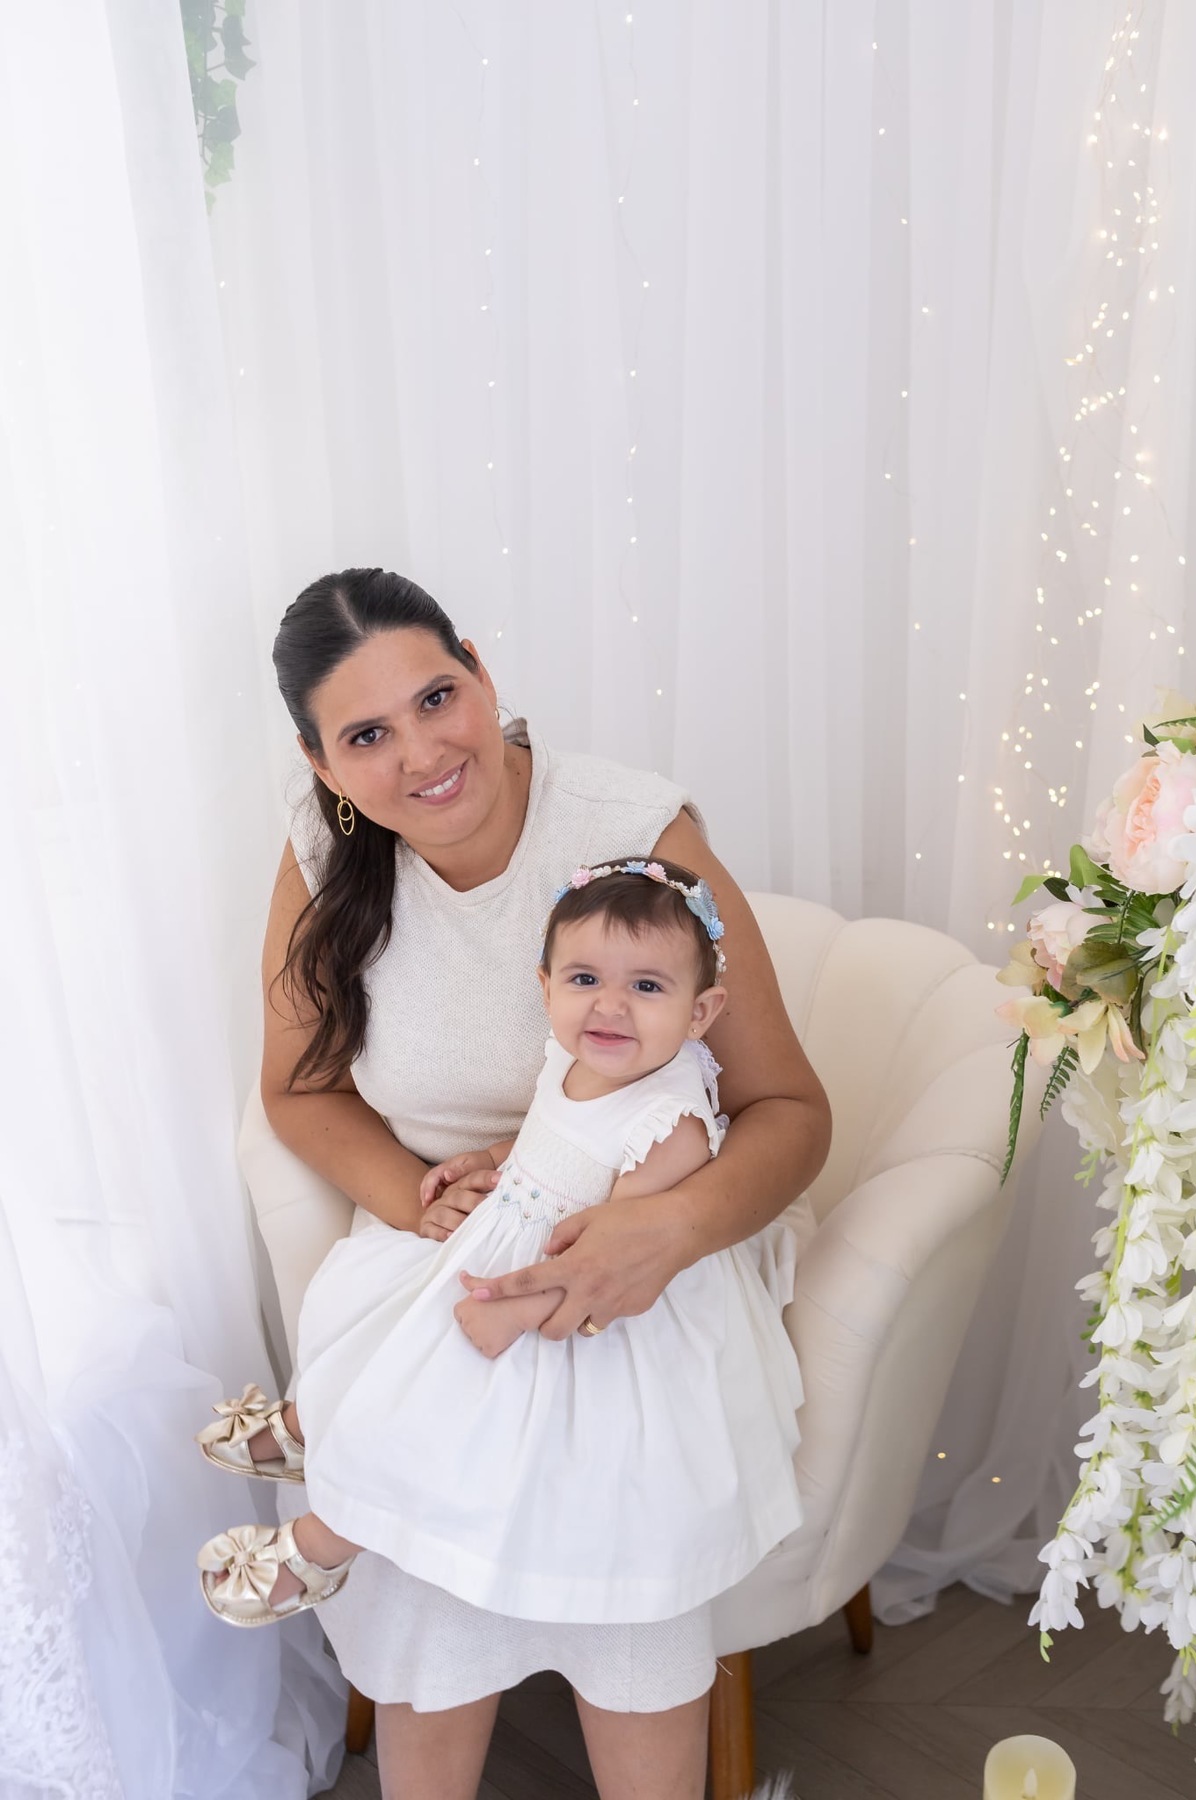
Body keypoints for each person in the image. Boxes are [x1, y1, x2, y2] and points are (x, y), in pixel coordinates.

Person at [209, 569, 829, 1800]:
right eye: (368, 736)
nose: (424, 754)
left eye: (440, 697)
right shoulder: (321, 855)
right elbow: (298, 1089)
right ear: (322, 762)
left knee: (619, 1539)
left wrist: (664, 1234)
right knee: (431, 1567)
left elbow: (790, 1112)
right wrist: (409, 1190)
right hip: (458, 1240)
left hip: (656, 1240)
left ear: (484, 673)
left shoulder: (634, 836)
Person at [197, 858, 805, 1635]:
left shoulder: (672, 1124)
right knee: (381, 1323)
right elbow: (554, 1130)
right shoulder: (576, 1056)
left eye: (648, 987)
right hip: (510, 1228)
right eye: (585, 979)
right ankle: (310, 1427)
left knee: (439, 1406)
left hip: (574, 1297)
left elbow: (609, 1259)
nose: (611, 1007)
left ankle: (320, 1549)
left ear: (701, 1011)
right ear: (546, 984)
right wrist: (490, 1159)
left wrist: (514, 1316)